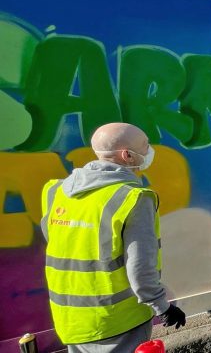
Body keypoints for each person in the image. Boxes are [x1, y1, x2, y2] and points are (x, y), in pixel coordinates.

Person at [41, 123, 186, 353]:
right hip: (117, 320)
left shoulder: (56, 191)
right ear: (127, 155)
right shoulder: (133, 198)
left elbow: (60, 241)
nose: (150, 151)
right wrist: (163, 306)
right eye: (146, 146)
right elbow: (140, 268)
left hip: (70, 318)